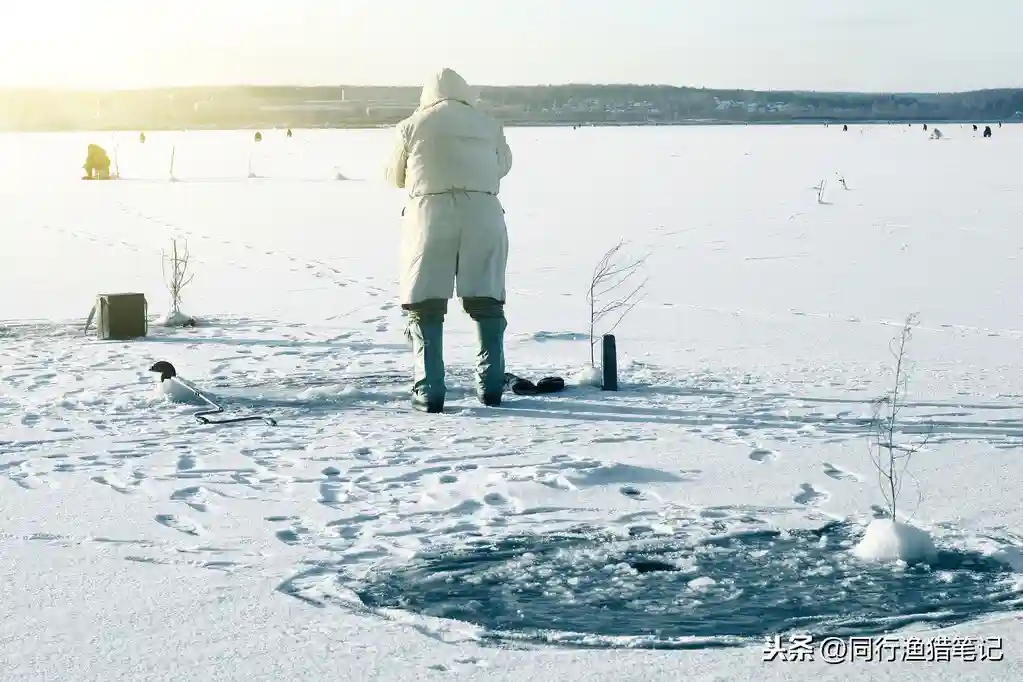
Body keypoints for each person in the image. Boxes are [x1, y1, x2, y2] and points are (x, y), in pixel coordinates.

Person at [385, 68, 513, 413]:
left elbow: (393, 176)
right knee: (486, 302)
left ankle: (430, 392)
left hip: (430, 217)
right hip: (484, 215)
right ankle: (491, 387)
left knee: (425, 305)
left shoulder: (411, 126)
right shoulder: (488, 124)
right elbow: (504, 166)